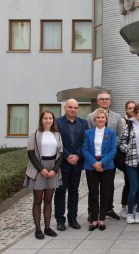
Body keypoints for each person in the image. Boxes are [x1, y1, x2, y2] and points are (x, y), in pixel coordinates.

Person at [25, 110, 63, 239]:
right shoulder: (34, 134)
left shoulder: (57, 134)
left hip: (52, 168)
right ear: (41, 120)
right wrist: (41, 169)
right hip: (39, 168)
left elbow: (60, 153)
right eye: (45, 118)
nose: (48, 121)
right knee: (37, 200)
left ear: (53, 120)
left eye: (50, 118)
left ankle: (47, 227)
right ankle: (38, 229)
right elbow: (30, 153)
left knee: (48, 200)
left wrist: (55, 170)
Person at [86, 91, 122, 221]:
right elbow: (88, 135)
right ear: (98, 102)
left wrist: (108, 148)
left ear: (110, 102)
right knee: (93, 188)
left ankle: (108, 208)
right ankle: (92, 211)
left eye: (107, 99)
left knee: (109, 185)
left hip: (109, 157)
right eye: (102, 99)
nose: (105, 101)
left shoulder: (117, 117)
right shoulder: (90, 116)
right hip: (93, 159)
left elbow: (119, 135)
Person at [54, 99, 89, 231]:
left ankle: (72, 218)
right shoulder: (57, 123)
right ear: (65, 108)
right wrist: (67, 155)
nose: (73, 110)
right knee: (61, 191)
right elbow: (57, 142)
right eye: (70, 107)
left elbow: (86, 142)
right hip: (62, 163)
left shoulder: (84, 123)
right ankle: (60, 219)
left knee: (74, 191)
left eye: (75, 107)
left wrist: (78, 155)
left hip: (77, 163)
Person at [82, 108, 117, 231]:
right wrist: (94, 163)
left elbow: (113, 151)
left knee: (105, 193)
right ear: (94, 119)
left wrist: (101, 163)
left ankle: (102, 219)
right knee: (93, 194)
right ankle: (94, 220)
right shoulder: (88, 133)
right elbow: (84, 149)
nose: (100, 119)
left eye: (103, 117)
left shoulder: (111, 133)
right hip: (91, 166)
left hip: (106, 166)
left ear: (106, 119)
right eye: (98, 117)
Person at [118, 103, 139, 224]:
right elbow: (121, 143)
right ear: (134, 113)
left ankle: (138, 213)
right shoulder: (128, 126)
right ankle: (130, 213)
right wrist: (129, 151)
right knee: (134, 186)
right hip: (131, 161)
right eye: (138, 112)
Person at [119, 100, 136, 219]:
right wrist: (129, 150)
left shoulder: (137, 122)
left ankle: (134, 205)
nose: (132, 110)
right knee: (128, 183)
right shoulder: (123, 121)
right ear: (126, 109)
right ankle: (124, 206)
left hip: (136, 158)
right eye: (129, 108)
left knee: (135, 183)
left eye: (133, 108)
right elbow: (122, 140)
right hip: (127, 157)